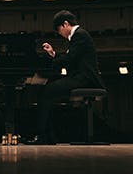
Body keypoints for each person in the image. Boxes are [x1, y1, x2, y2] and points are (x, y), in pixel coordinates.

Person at [26, 9, 106, 144]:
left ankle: (43, 135)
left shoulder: (80, 35)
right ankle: (47, 136)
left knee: (48, 91)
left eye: (59, 30)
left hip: (85, 79)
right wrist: (53, 55)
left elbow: (69, 59)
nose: (59, 34)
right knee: (47, 89)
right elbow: (71, 58)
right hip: (80, 77)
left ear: (65, 24)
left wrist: (50, 62)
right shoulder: (78, 36)